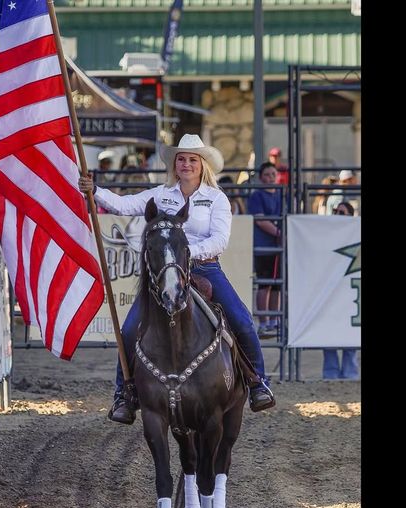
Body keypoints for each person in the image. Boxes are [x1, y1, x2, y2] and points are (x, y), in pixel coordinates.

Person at [78, 134, 275, 424]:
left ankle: (258, 381)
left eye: (192, 159)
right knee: (130, 328)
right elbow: (125, 205)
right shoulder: (162, 194)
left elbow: (219, 240)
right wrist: (94, 191)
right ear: (175, 164)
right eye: (181, 159)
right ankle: (125, 393)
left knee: (242, 319)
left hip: (204, 267)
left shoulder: (216, 198)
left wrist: (184, 253)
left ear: (202, 164)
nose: (186, 164)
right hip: (165, 273)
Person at [323, 200, 360, 380]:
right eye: (336, 211)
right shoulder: (326, 235)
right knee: (327, 328)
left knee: (349, 330)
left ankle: (349, 372)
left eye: (342, 212)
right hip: (331, 290)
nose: (337, 215)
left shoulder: (356, 234)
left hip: (349, 291)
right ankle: (331, 372)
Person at [248, 163, 283, 337]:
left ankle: (274, 321)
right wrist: (279, 233)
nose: (271, 177)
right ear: (261, 177)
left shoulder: (281, 195)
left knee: (277, 286)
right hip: (264, 246)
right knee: (264, 284)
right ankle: (263, 323)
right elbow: (260, 220)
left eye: (273, 173)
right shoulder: (257, 196)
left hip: (278, 246)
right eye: (268, 174)